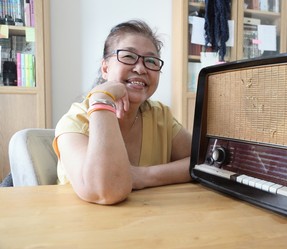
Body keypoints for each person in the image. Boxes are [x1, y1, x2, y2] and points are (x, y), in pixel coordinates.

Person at [53, 19, 192, 205]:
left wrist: (143, 176)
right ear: (105, 68)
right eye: (128, 56)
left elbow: (205, 162)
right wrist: (102, 99)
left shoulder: (160, 116)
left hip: (149, 223)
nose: (141, 68)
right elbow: (105, 191)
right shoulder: (75, 121)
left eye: (151, 61)